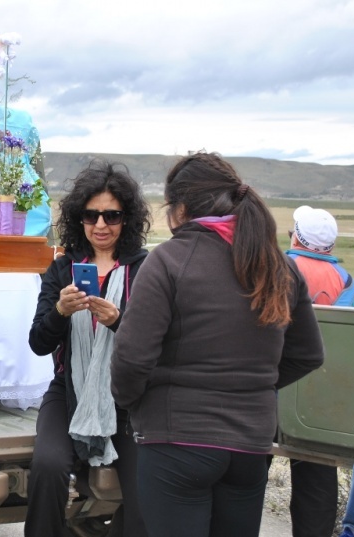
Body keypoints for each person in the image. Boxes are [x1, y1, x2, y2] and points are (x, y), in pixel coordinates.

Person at [111, 151, 325, 537]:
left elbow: (130, 359)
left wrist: (133, 403)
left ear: (180, 208)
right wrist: (251, 385)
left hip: (176, 440)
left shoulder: (168, 261)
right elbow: (308, 354)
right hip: (250, 447)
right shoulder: (279, 264)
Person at [26, 160, 152, 537]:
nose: (100, 225)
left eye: (111, 216)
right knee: (47, 467)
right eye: (91, 215)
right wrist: (61, 312)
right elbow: (38, 343)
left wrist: (118, 321)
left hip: (127, 396)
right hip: (70, 390)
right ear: (78, 219)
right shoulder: (64, 269)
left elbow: (154, 345)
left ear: (126, 219)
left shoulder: (144, 269)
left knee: (144, 490)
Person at [284, 205, 354, 537]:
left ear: (296, 236)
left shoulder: (276, 269)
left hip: (271, 395)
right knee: (317, 484)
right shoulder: (353, 288)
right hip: (322, 406)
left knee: (247, 482)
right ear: (331, 246)